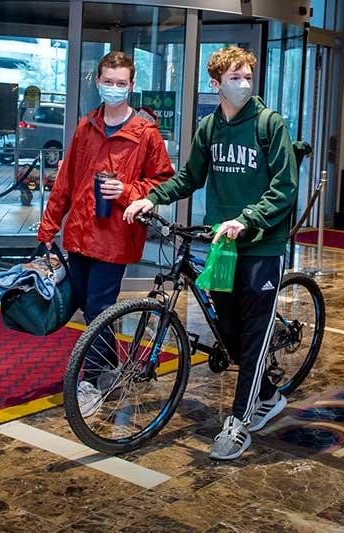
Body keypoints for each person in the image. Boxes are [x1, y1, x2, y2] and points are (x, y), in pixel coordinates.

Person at [124, 46, 298, 461]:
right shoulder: (209, 127)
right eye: (235, 77)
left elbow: (285, 187)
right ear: (215, 84)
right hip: (223, 246)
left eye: (247, 76)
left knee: (254, 337)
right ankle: (270, 395)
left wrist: (249, 218)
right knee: (230, 330)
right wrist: (154, 198)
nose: (243, 84)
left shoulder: (269, 125)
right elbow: (190, 176)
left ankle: (239, 423)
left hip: (261, 246)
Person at [37, 51, 174, 416]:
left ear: (131, 86)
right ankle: (113, 366)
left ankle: (91, 381)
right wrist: (48, 226)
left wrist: (127, 191)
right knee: (86, 305)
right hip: (80, 233)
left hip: (115, 237)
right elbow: (66, 182)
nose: (113, 89)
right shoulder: (86, 126)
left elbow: (163, 180)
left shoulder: (145, 133)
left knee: (99, 309)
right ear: (97, 82)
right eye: (108, 82)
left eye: (121, 83)